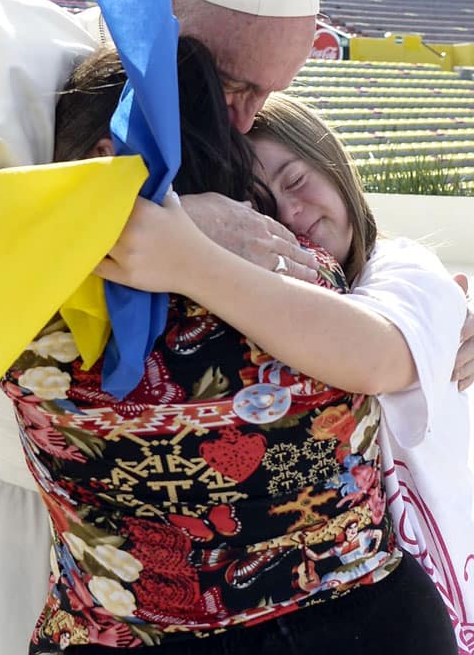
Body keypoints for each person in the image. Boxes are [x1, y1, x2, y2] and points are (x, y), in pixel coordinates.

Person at [0, 0, 472, 654]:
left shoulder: (225, 126)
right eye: (233, 85)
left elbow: (320, 253)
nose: (249, 116)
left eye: (274, 91)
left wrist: (438, 301)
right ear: (169, 13)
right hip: (0, 504)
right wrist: (153, 219)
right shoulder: (8, 42)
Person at [0, 48, 463, 654]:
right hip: (363, 623)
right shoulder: (314, 282)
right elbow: (380, 342)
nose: (290, 212)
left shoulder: (19, 327)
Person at [96, 93, 473, 652]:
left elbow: (375, 356)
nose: (291, 214)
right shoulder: (250, 312)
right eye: (257, 204)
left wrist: (185, 257)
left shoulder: (403, 267)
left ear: (335, 165)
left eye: (298, 180)